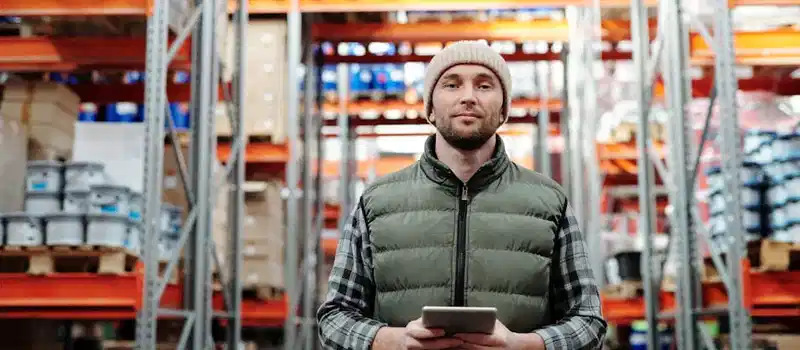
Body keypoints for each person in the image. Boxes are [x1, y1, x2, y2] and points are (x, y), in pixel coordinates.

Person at [317, 40, 606, 350]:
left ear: (504, 109)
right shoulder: (376, 203)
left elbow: (588, 321)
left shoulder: (549, 202)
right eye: (452, 85)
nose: (468, 97)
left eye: (484, 86)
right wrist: (394, 340)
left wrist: (522, 345)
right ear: (429, 107)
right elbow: (334, 318)